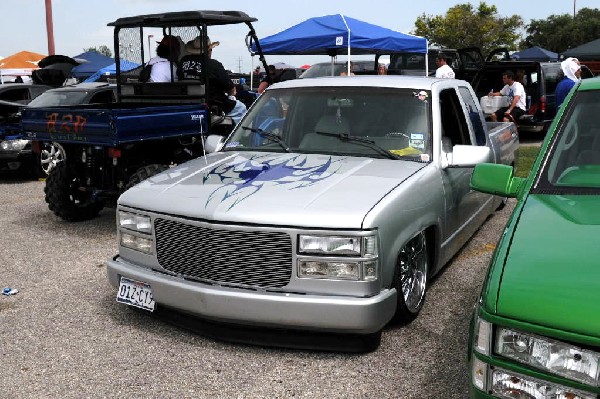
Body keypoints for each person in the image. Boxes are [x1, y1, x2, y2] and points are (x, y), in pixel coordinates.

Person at [178, 35, 236, 115]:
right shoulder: (214, 64)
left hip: (187, 101)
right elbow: (230, 87)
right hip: (212, 103)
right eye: (211, 49)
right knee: (241, 108)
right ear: (209, 50)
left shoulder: (183, 61)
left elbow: (179, 77)